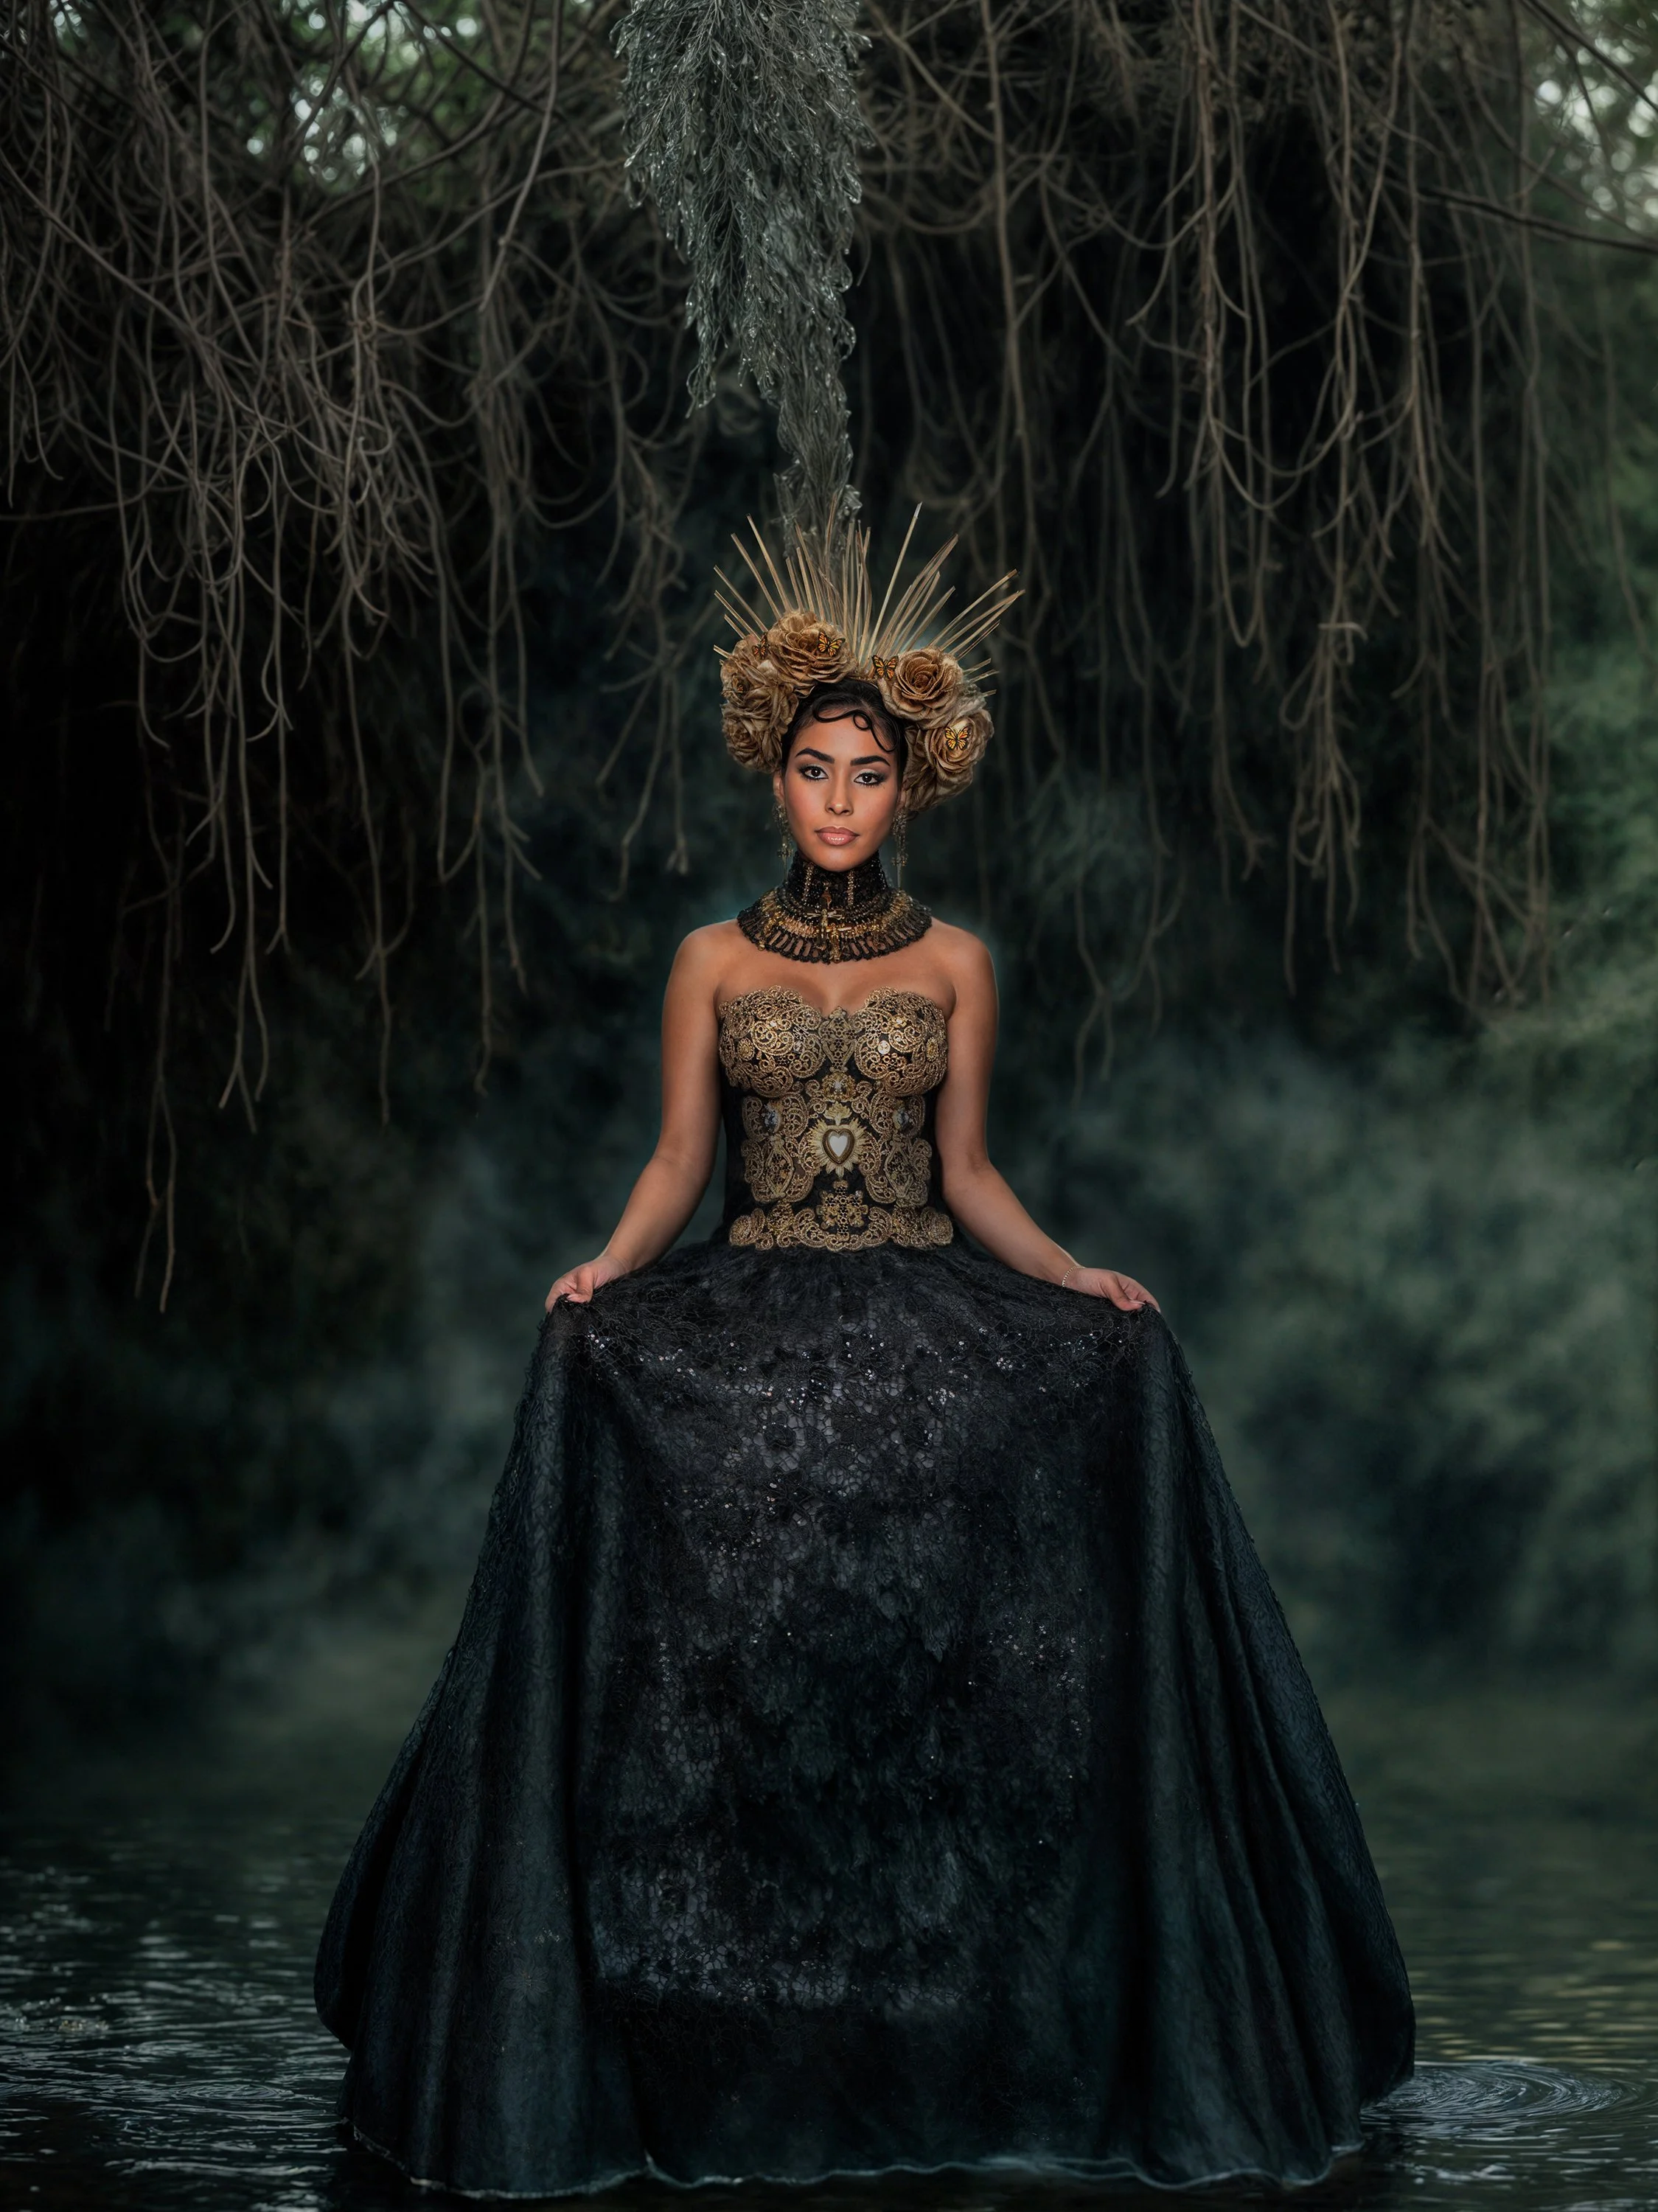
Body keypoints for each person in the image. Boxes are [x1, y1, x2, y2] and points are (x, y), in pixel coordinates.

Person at [316, 523, 1413, 2199]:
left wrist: (1075, 1279)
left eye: (869, 776)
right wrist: (608, 1270)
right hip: (748, 1304)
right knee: (650, 1489)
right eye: (816, 771)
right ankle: (670, 2006)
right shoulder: (709, 962)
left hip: (921, 1299)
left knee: (1104, 1394)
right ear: (776, 778)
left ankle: (996, 2005)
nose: (840, 801)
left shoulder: (955, 963)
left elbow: (967, 1174)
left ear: (908, 790)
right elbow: (683, 1160)